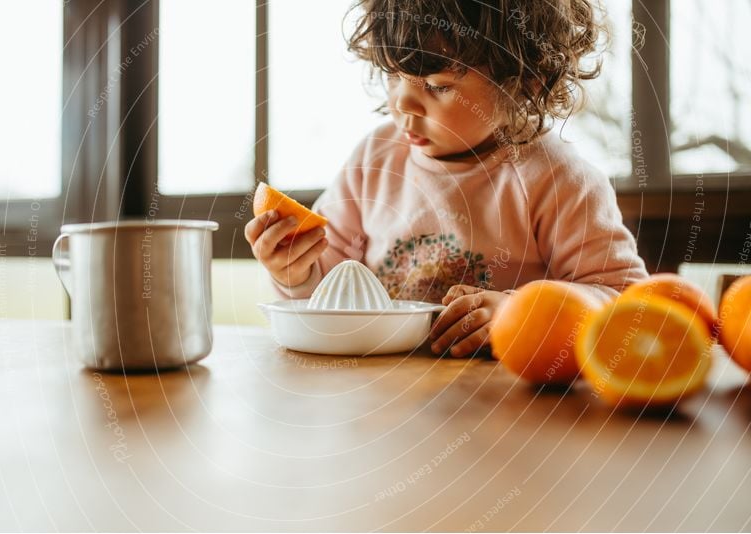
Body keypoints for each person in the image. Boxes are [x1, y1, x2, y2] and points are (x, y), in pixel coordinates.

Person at [244, 0, 648, 358]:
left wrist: (519, 312)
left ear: (524, 82)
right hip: (382, 399)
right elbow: (331, 287)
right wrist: (295, 273)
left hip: (501, 408)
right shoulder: (374, 159)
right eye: (393, 76)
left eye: (437, 86)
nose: (401, 102)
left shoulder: (558, 179)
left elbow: (623, 300)